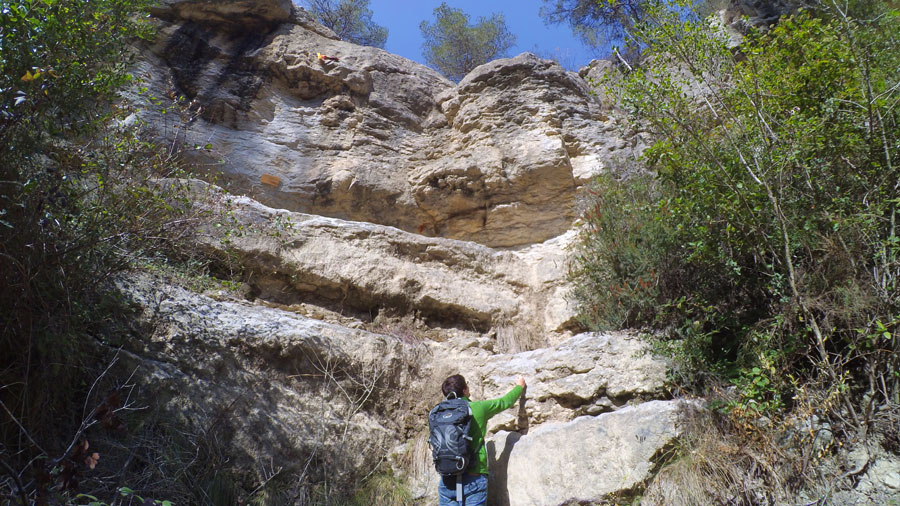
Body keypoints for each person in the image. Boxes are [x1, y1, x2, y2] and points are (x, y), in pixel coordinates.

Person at [437, 373, 526, 506]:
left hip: (447, 478)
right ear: (464, 390)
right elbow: (505, 402)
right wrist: (519, 387)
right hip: (474, 475)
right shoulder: (478, 408)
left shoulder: (438, 412)